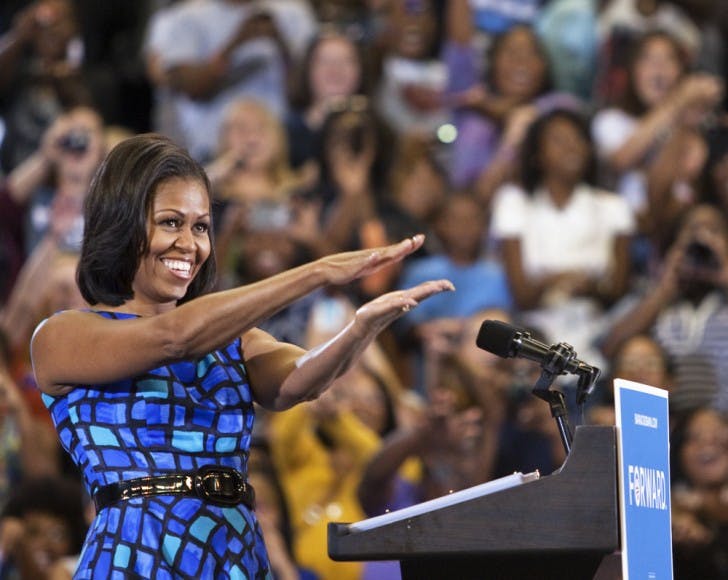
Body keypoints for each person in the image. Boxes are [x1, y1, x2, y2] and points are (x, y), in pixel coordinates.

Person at [29, 133, 453, 578]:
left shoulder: (234, 339)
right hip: (137, 550)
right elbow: (173, 338)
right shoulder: (62, 336)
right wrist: (317, 270)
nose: (190, 244)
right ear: (121, 222)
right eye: (171, 222)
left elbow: (299, 381)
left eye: (201, 226)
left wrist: (360, 329)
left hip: (232, 550)